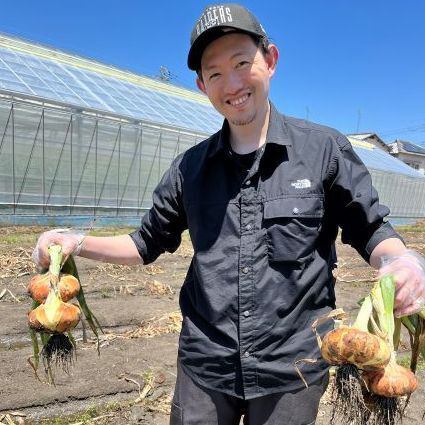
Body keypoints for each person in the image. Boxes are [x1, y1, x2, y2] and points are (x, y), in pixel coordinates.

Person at [33, 4, 425, 425]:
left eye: (243, 63)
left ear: (270, 60)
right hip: (206, 363)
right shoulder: (190, 168)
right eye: (215, 73)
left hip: (292, 366)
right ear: (202, 85)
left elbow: (370, 228)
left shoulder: (323, 150)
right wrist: (75, 241)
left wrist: (399, 259)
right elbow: (143, 243)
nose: (232, 83)